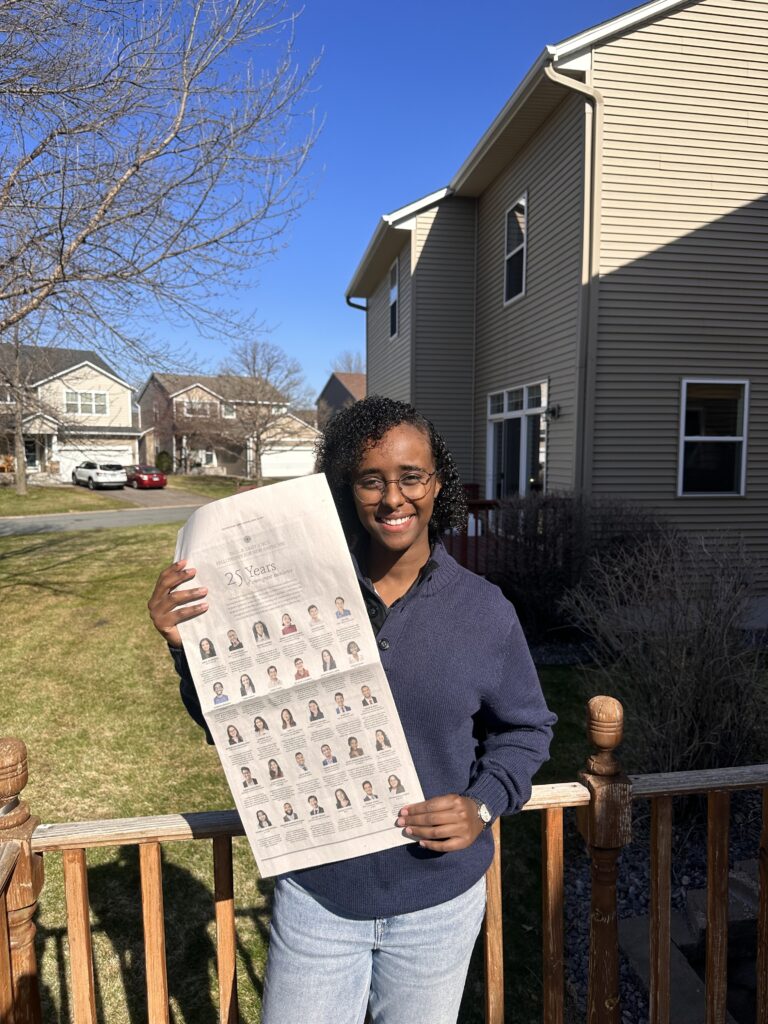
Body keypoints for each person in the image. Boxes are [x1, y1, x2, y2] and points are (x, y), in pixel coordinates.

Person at [149, 395, 555, 1024]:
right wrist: (187, 651)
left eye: (411, 476)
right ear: (349, 488)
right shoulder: (299, 594)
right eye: (372, 480)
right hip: (320, 892)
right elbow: (230, 724)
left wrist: (483, 802)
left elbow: (526, 731)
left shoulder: (484, 611)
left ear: (437, 483)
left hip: (438, 896)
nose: (394, 498)